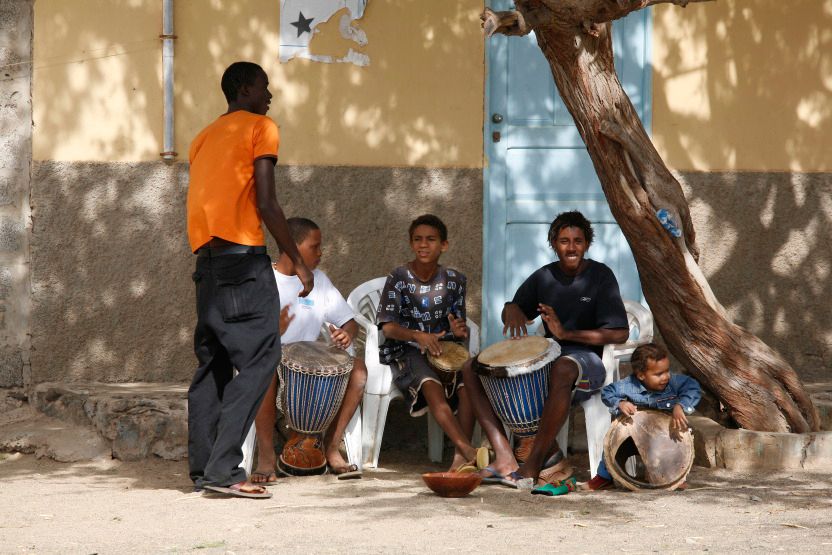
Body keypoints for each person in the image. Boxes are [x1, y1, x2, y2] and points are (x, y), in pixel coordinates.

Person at [186, 61, 314, 499]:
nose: (270, 94)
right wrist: (296, 259)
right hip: (242, 263)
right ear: (245, 89)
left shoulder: (202, 138)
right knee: (262, 356)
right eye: (264, 86)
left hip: (207, 265)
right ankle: (224, 470)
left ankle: (204, 469)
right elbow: (266, 201)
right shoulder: (261, 126)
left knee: (215, 364)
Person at [461, 210, 629, 487]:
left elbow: (620, 332)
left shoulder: (600, 275)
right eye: (564, 241)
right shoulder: (544, 277)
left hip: (587, 362)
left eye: (577, 240)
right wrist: (510, 309)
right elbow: (516, 309)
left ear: (587, 243)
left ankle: (534, 462)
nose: (571, 247)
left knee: (563, 367)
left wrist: (567, 333)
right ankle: (504, 457)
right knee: (472, 367)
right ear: (554, 244)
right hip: (550, 357)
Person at [250, 218, 368, 483]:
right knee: (265, 368)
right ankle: (266, 455)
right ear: (292, 246)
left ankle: (331, 448)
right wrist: (273, 330)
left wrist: (346, 334)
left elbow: (350, 323)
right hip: (272, 360)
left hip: (310, 363)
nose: (320, 252)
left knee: (358, 371)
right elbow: (248, 334)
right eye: (315, 246)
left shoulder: (320, 281)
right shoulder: (263, 279)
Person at [377, 214, 486, 472]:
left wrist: (459, 331)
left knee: (466, 385)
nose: (423, 244)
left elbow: (457, 325)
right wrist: (416, 335)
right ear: (411, 243)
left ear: (444, 245)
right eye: (417, 239)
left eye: (431, 239)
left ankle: (460, 459)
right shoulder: (399, 277)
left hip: (443, 350)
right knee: (431, 384)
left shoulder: (455, 280)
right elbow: (388, 327)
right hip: (407, 350)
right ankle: (468, 449)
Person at [587, 342, 701, 490]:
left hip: (663, 434)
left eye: (667, 371)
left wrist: (680, 405)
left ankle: (674, 479)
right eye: (658, 374)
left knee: (670, 450)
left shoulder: (673, 382)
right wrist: (620, 403)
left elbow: (693, 387)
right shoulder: (628, 385)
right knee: (611, 446)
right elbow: (607, 392)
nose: (665, 376)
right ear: (640, 375)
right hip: (634, 433)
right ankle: (604, 477)